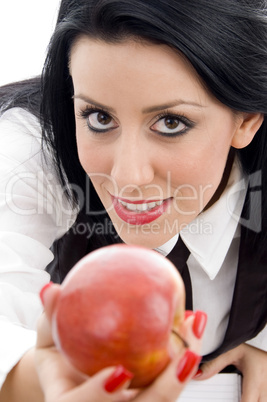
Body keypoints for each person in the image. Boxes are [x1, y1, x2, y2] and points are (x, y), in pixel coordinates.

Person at [0, 0, 267, 400]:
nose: (128, 176)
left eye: (171, 122)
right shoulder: (26, 149)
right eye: (99, 118)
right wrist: (34, 381)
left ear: (246, 119)